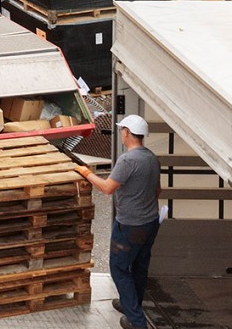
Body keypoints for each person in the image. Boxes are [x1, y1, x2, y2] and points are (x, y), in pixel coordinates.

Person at [79, 113, 162, 329]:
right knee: (140, 267)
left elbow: (107, 188)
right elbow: (157, 190)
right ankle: (130, 305)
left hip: (130, 225)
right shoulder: (152, 158)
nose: (121, 135)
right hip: (150, 222)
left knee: (119, 268)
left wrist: (86, 173)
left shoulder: (128, 160)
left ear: (126, 133)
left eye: (121, 131)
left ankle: (136, 321)